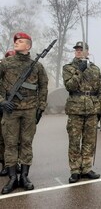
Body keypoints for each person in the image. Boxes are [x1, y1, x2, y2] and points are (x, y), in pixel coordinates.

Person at [0, 33, 48, 194]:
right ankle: (13, 178)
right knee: (10, 144)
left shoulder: (37, 66)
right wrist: (1, 101)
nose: (16, 43)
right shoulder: (6, 63)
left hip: (29, 110)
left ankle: (25, 177)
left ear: (28, 46)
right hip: (11, 110)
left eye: (20, 41)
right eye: (15, 41)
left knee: (26, 143)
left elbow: (43, 87)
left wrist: (40, 108)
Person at [63, 41, 101, 184]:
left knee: (89, 140)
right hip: (76, 108)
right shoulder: (69, 68)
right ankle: (75, 170)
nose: (78, 51)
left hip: (92, 108)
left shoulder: (95, 69)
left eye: (81, 49)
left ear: (87, 51)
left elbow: (99, 90)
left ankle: (86, 167)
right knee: (74, 141)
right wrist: (79, 70)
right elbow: (70, 86)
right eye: (77, 49)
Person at [0, 50, 17, 177]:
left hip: (12, 110)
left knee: (15, 140)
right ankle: (5, 165)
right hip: (1, 110)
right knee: (2, 140)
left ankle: (15, 164)